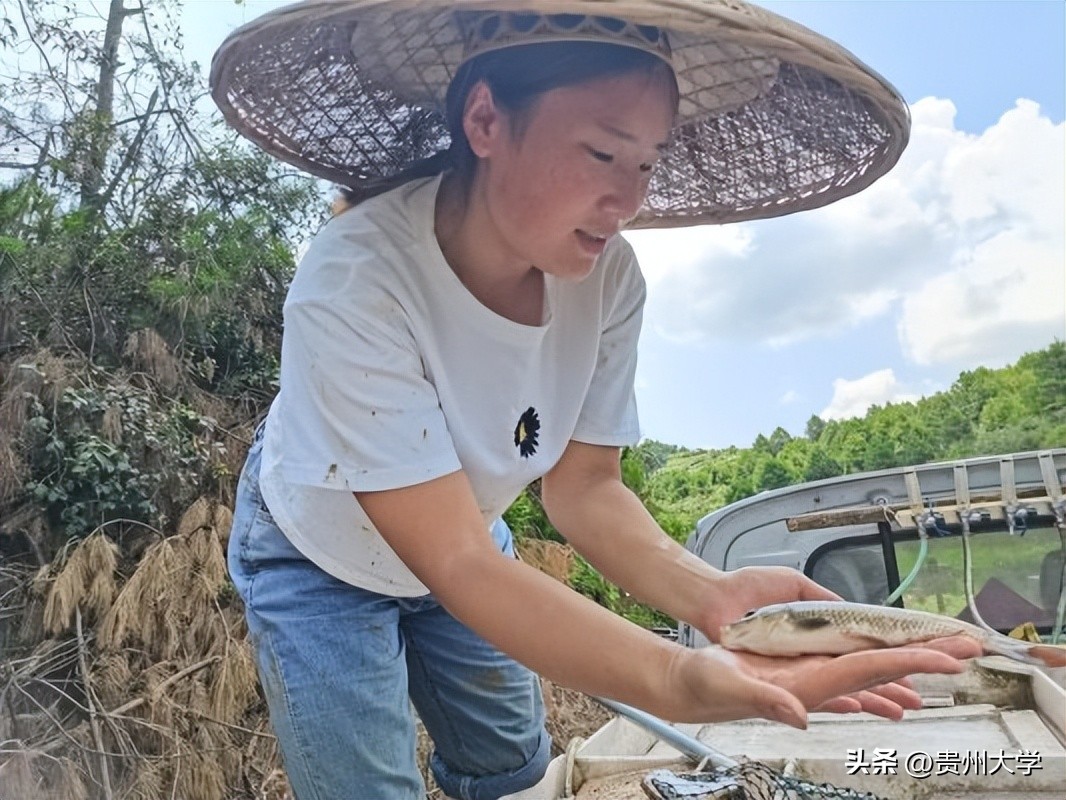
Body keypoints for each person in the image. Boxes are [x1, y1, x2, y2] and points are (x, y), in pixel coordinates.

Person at [210, 3, 982, 799]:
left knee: (513, 773)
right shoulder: (355, 280)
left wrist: (711, 595)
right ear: (486, 120)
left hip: (469, 535)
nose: (627, 199)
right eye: (603, 152)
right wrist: (679, 678)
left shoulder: (609, 280)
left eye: (646, 163)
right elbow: (456, 561)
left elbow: (584, 488)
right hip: (322, 555)